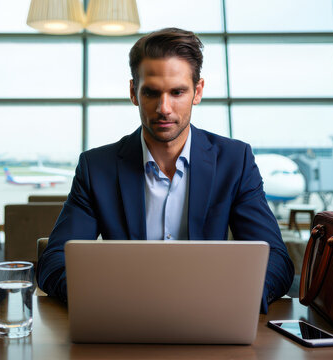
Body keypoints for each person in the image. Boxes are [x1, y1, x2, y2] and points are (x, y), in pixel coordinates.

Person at [37, 27, 294, 313]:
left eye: (177, 92)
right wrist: (103, 300)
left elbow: (277, 260)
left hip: (211, 316)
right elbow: (54, 261)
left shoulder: (235, 161)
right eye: (151, 92)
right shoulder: (96, 168)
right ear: (134, 92)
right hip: (123, 317)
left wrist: (234, 301)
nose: (164, 108)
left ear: (197, 92)